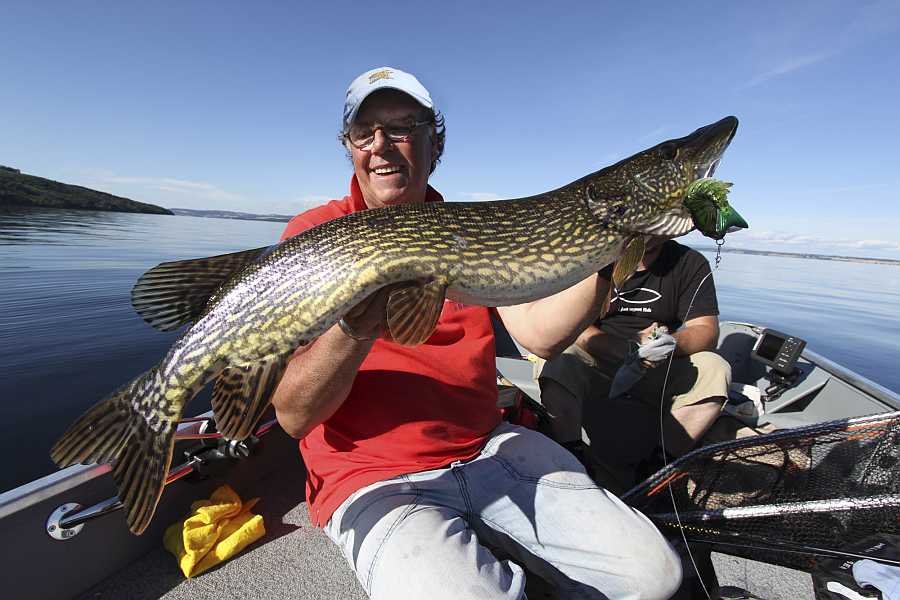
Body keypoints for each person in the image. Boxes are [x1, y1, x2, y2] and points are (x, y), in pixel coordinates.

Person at [270, 67, 682, 600]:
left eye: (402, 127)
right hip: (373, 476)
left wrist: (612, 252)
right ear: (349, 147)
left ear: (434, 142)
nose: (381, 146)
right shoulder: (314, 235)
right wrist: (356, 325)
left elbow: (539, 336)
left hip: (489, 449)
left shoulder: (472, 232)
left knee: (655, 576)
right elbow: (294, 416)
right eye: (364, 132)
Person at [538, 236, 733, 494]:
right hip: (598, 357)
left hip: (657, 362)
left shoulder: (689, 262)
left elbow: (705, 330)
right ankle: (572, 458)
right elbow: (571, 327)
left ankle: (658, 469)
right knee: (559, 359)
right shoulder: (589, 258)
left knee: (715, 368)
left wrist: (669, 343)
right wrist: (619, 347)